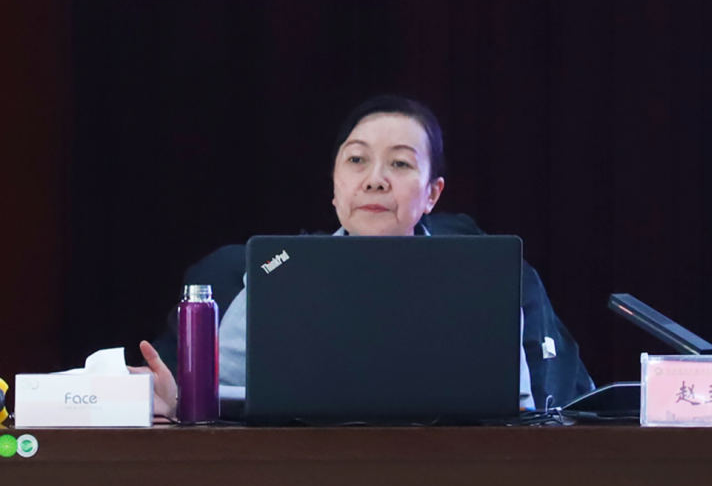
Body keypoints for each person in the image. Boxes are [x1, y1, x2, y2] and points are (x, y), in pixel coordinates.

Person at [130, 96, 594, 419]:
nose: (375, 180)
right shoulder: (278, 272)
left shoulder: (482, 279)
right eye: (356, 160)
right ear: (335, 186)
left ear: (432, 194)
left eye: (400, 163)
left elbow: (518, 409)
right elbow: (222, 397)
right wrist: (182, 401)